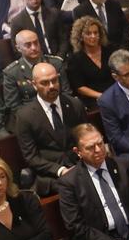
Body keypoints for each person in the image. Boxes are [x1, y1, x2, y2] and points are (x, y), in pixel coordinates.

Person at [11, 61, 86, 193]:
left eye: (54, 80)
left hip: (79, 165)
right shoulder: (25, 116)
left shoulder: (74, 104)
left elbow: (85, 138)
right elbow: (31, 157)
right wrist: (61, 170)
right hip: (51, 175)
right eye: (45, 83)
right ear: (34, 85)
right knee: (74, 187)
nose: (51, 86)